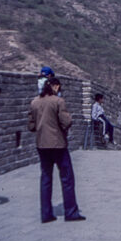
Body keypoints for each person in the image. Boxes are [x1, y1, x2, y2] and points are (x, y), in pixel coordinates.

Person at [28, 77, 85, 223]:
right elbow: (66, 121)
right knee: (67, 178)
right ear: (56, 86)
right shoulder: (58, 101)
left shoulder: (34, 102)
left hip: (41, 144)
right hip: (58, 144)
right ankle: (71, 212)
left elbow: (31, 126)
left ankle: (46, 214)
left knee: (46, 178)